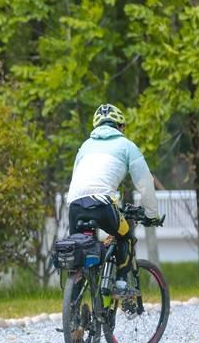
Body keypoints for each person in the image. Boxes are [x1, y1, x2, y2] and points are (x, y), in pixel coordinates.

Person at [66, 104, 161, 284]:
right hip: (102, 204)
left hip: (75, 206)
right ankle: (120, 283)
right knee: (125, 236)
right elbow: (145, 183)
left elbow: (76, 180)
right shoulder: (127, 146)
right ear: (120, 126)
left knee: (79, 251)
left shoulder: (85, 146)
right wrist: (152, 215)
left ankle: (74, 304)